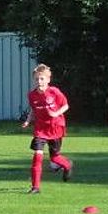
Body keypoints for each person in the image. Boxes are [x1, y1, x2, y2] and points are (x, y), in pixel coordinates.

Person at [22, 64, 72, 194]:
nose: (39, 81)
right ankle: (35, 187)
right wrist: (28, 120)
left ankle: (67, 166)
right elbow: (33, 110)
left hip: (55, 128)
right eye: (37, 79)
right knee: (37, 156)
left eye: (42, 78)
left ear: (48, 79)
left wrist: (55, 114)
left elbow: (66, 106)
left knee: (54, 158)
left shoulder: (54, 92)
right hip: (40, 130)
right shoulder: (32, 95)